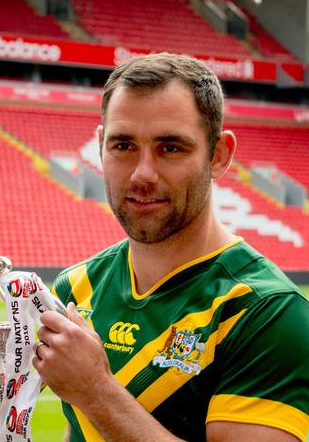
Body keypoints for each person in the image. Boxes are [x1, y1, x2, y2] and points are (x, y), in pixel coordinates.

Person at [33, 53, 309, 441]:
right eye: (123, 146)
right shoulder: (76, 288)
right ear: (100, 147)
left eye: (171, 148)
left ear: (219, 155)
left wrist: (97, 392)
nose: (143, 173)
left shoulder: (266, 312)